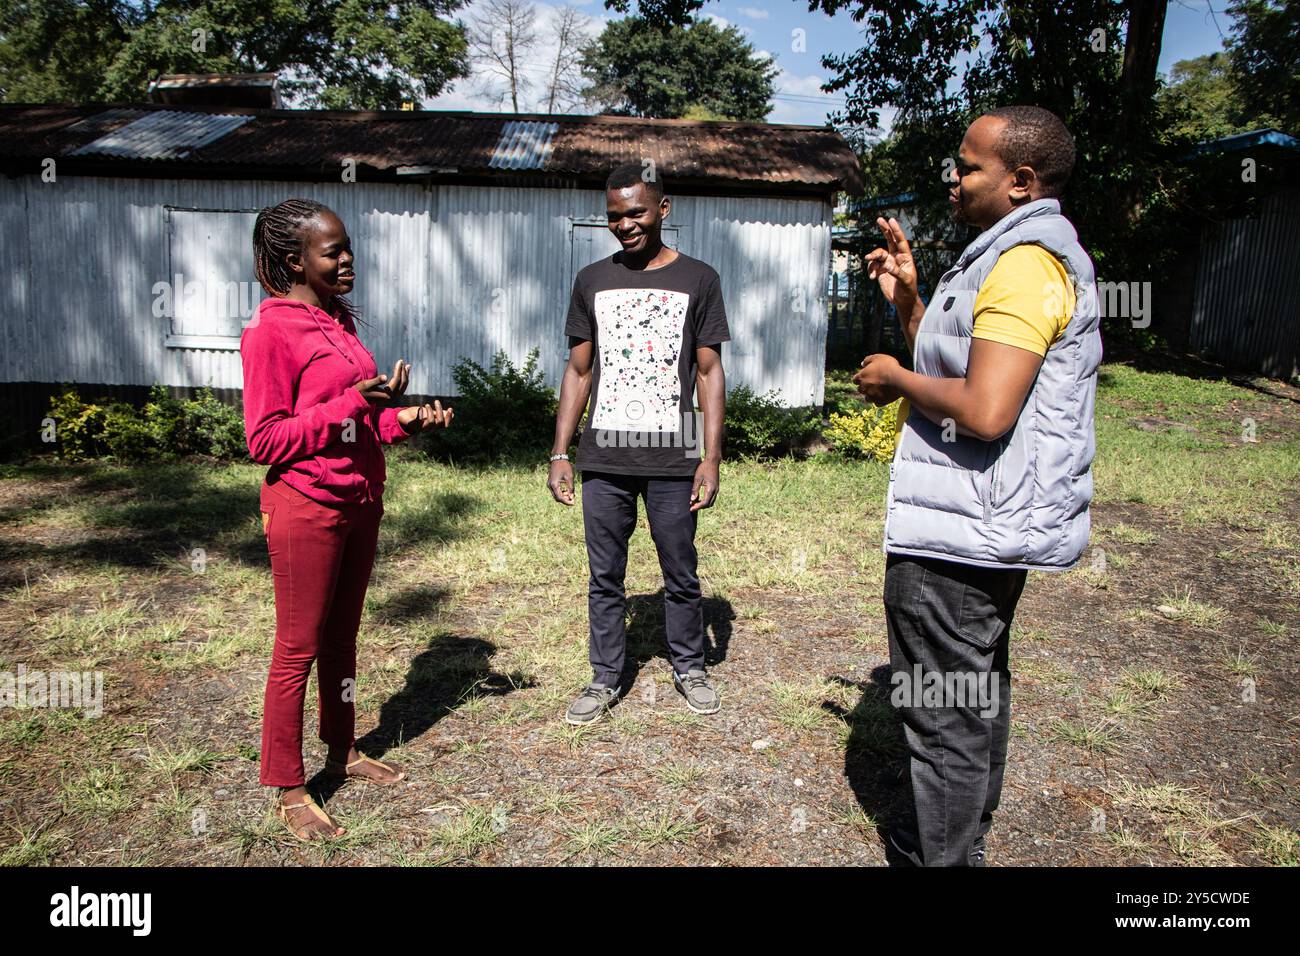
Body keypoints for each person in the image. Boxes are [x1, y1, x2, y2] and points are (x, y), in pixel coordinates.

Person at [854, 106, 1102, 866]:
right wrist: (908, 300)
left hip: (962, 532)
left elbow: (986, 410)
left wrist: (895, 378)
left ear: (1021, 181)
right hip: (977, 521)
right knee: (973, 692)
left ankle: (947, 856)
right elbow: (966, 369)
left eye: (968, 167)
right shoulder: (1004, 255)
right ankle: (961, 841)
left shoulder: (1025, 265)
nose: (954, 180)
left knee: (942, 714)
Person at [241, 198, 453, 840]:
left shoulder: (336, 323)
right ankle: (285, 783)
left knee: (342, 642)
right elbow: (266, 441)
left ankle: (342, 748)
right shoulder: (271, 332)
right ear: (293, 259)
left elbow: (364, 421)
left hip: (360, 502)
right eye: (333, 251)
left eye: (347, 247)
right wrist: (346, 404)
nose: (347, 259)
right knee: (297, 649)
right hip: (306, 507)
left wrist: (405, 420)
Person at [547, 162, 730, 725]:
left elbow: (708, 370)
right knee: (605, 576)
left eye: (636, 212)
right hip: (604, 454)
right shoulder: (592, 280)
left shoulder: (698, 279)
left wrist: (711, 456)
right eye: (614, 216)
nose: (625, 224)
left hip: (675, 454)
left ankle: (689, 666)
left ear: (662, 209)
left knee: (680, 567)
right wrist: (560, 452)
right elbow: (578, 372)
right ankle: (604, 678)